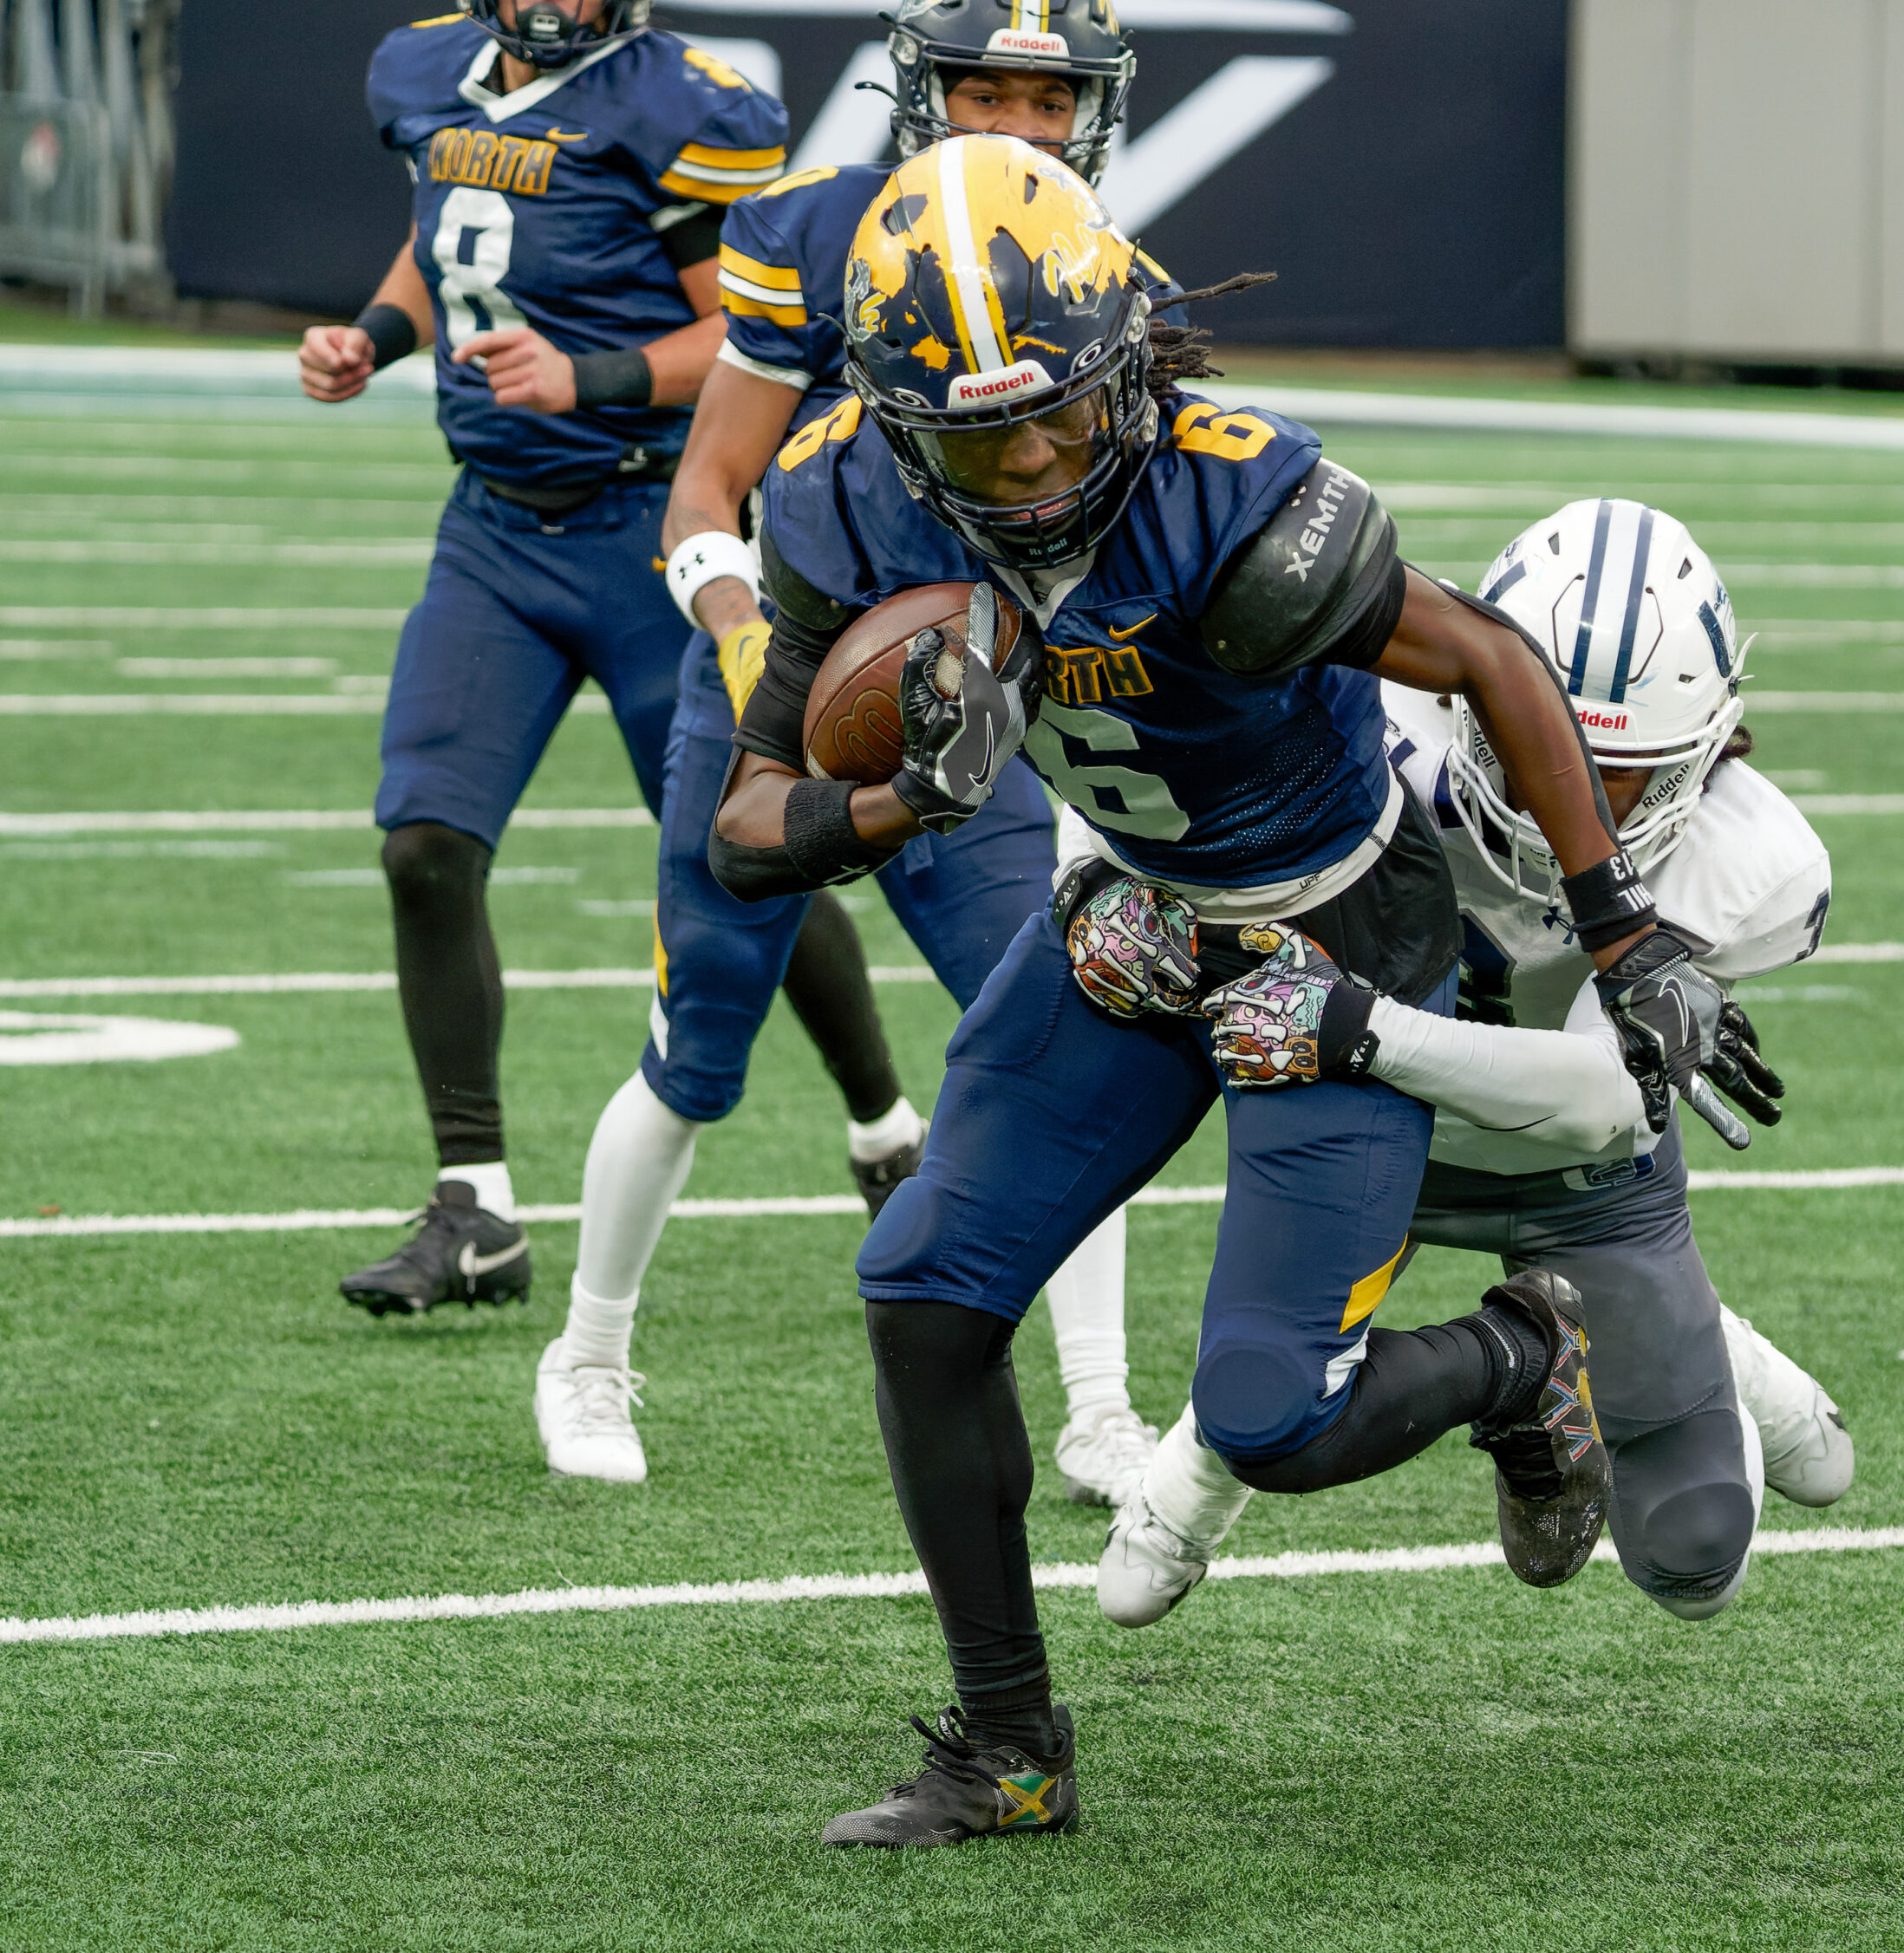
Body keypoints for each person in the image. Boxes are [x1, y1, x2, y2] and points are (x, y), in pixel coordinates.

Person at [708, 136, 1734, 1846]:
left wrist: (1618, 930)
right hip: (1125, 924)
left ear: (1119, 357)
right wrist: (906, 800)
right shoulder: (840, 499)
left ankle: (1513, 1352)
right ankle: (1008, 1746)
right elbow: (749, 824)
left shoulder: (1229, 494)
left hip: (1333, 930)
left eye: (1054, 410)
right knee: (921, 1291)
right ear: (897, 421)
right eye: (979, 432)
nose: (1031, 459)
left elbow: (1486, 652)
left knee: (1270, 1412)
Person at [538, 0, 1171, 1498]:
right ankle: (587, 1350)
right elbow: (706, 496)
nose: (1017, 124)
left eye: (1046, 96)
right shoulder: (815, 233)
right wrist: (769, 656)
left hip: (990, 703)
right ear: (921, 91)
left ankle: (1098, 1401)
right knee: (697, 1053)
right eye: (984, 89)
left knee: (1071, 1032)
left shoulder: (1107, 272)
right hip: (788, 681)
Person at [1098, 500, 1855, 1630]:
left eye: (1622, 773)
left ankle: (1687, 1336)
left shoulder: (1750, 866)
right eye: (1541, 742)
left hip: (1578, 1176)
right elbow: (1134, 743)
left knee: (1698, 1555)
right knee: (1151, 1560)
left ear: (1702, 755)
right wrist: (1096, 886)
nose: (1572, 798)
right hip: (1371, 1140)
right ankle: (1205, 1467)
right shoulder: (1370, 730)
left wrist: (1355, 1024)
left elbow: (1597, 1107)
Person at [300, 0, 789, 1316]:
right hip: (496, 532)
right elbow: (440, 239)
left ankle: (880, 1125)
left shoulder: (681, 105)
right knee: (425, 843)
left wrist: (591, 375)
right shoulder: (425, 68)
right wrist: (376, 336)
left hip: (651, 526)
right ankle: (476, 1209)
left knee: (746, 851)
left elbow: (752, 339)